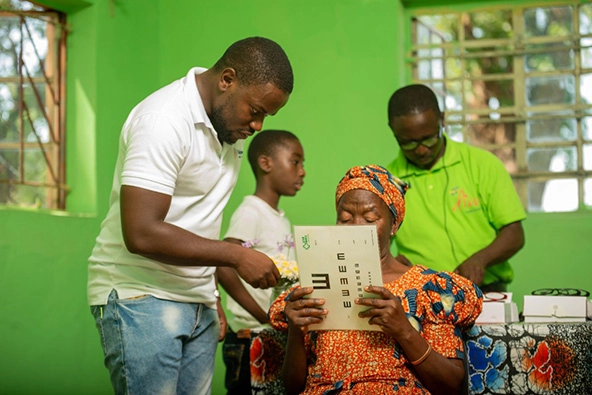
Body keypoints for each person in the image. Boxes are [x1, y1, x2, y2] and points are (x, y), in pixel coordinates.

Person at [87, 37, 294, 395]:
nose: (258, 125)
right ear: (227, 79)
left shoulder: (227, 125)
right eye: (256, 110)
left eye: (267, 116)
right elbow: (141, 232)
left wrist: (209, 294)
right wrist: (237, 255)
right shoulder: (163, 120)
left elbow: (198, 217)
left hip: (197, 300)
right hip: (143, 297)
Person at [269, 164, 483, 395]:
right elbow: (292, 388)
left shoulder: (429, 289)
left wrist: (404, 330)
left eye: (370, 218)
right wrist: (295, 329)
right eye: (345, 218)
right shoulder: (316, 286)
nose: (356, 228)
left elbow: (451, 387)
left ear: (394, 225)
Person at [386, 84, 526, 292]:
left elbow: (514, 234)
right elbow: (374, 248)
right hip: (422, 299)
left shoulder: (482, 164)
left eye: (429, 138)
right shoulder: (386, 183)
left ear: (442, 119)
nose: (422, 150)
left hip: (486, 293)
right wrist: (393, 267)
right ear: (393, 131)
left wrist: (480, 259)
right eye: (409, 143)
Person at [217, 129, 305, 394]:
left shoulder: (279, 217)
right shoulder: (250, 212)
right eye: (295, 161)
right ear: (266, 163)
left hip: (270, 335)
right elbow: (223, 265)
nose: (302, 171)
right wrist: (262, 315)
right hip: (248, 339)